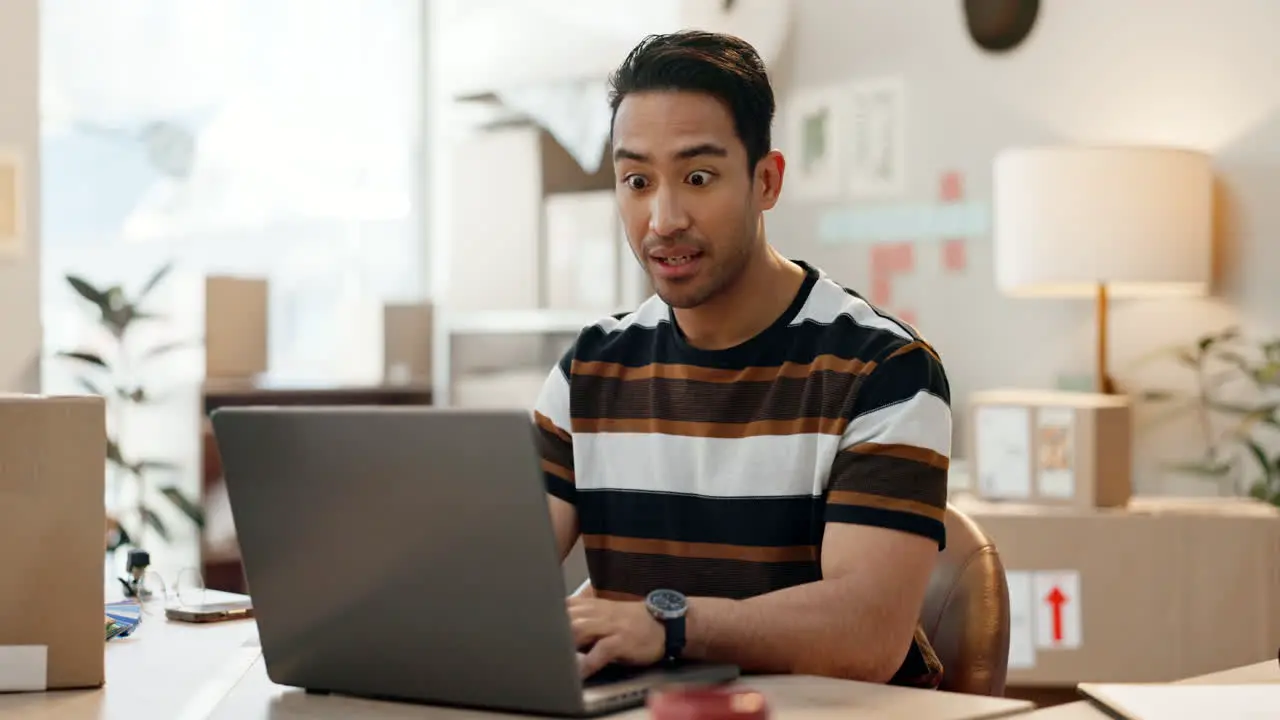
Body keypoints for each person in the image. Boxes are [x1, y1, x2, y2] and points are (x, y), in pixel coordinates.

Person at [531, 30, 951, 689]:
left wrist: (668, 625)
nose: (663, 218)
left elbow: (868, 633)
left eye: (698, 177)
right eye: (636, 181)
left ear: (766, 181)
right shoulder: (590, 371)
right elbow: (496, 581)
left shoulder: (884, 372)